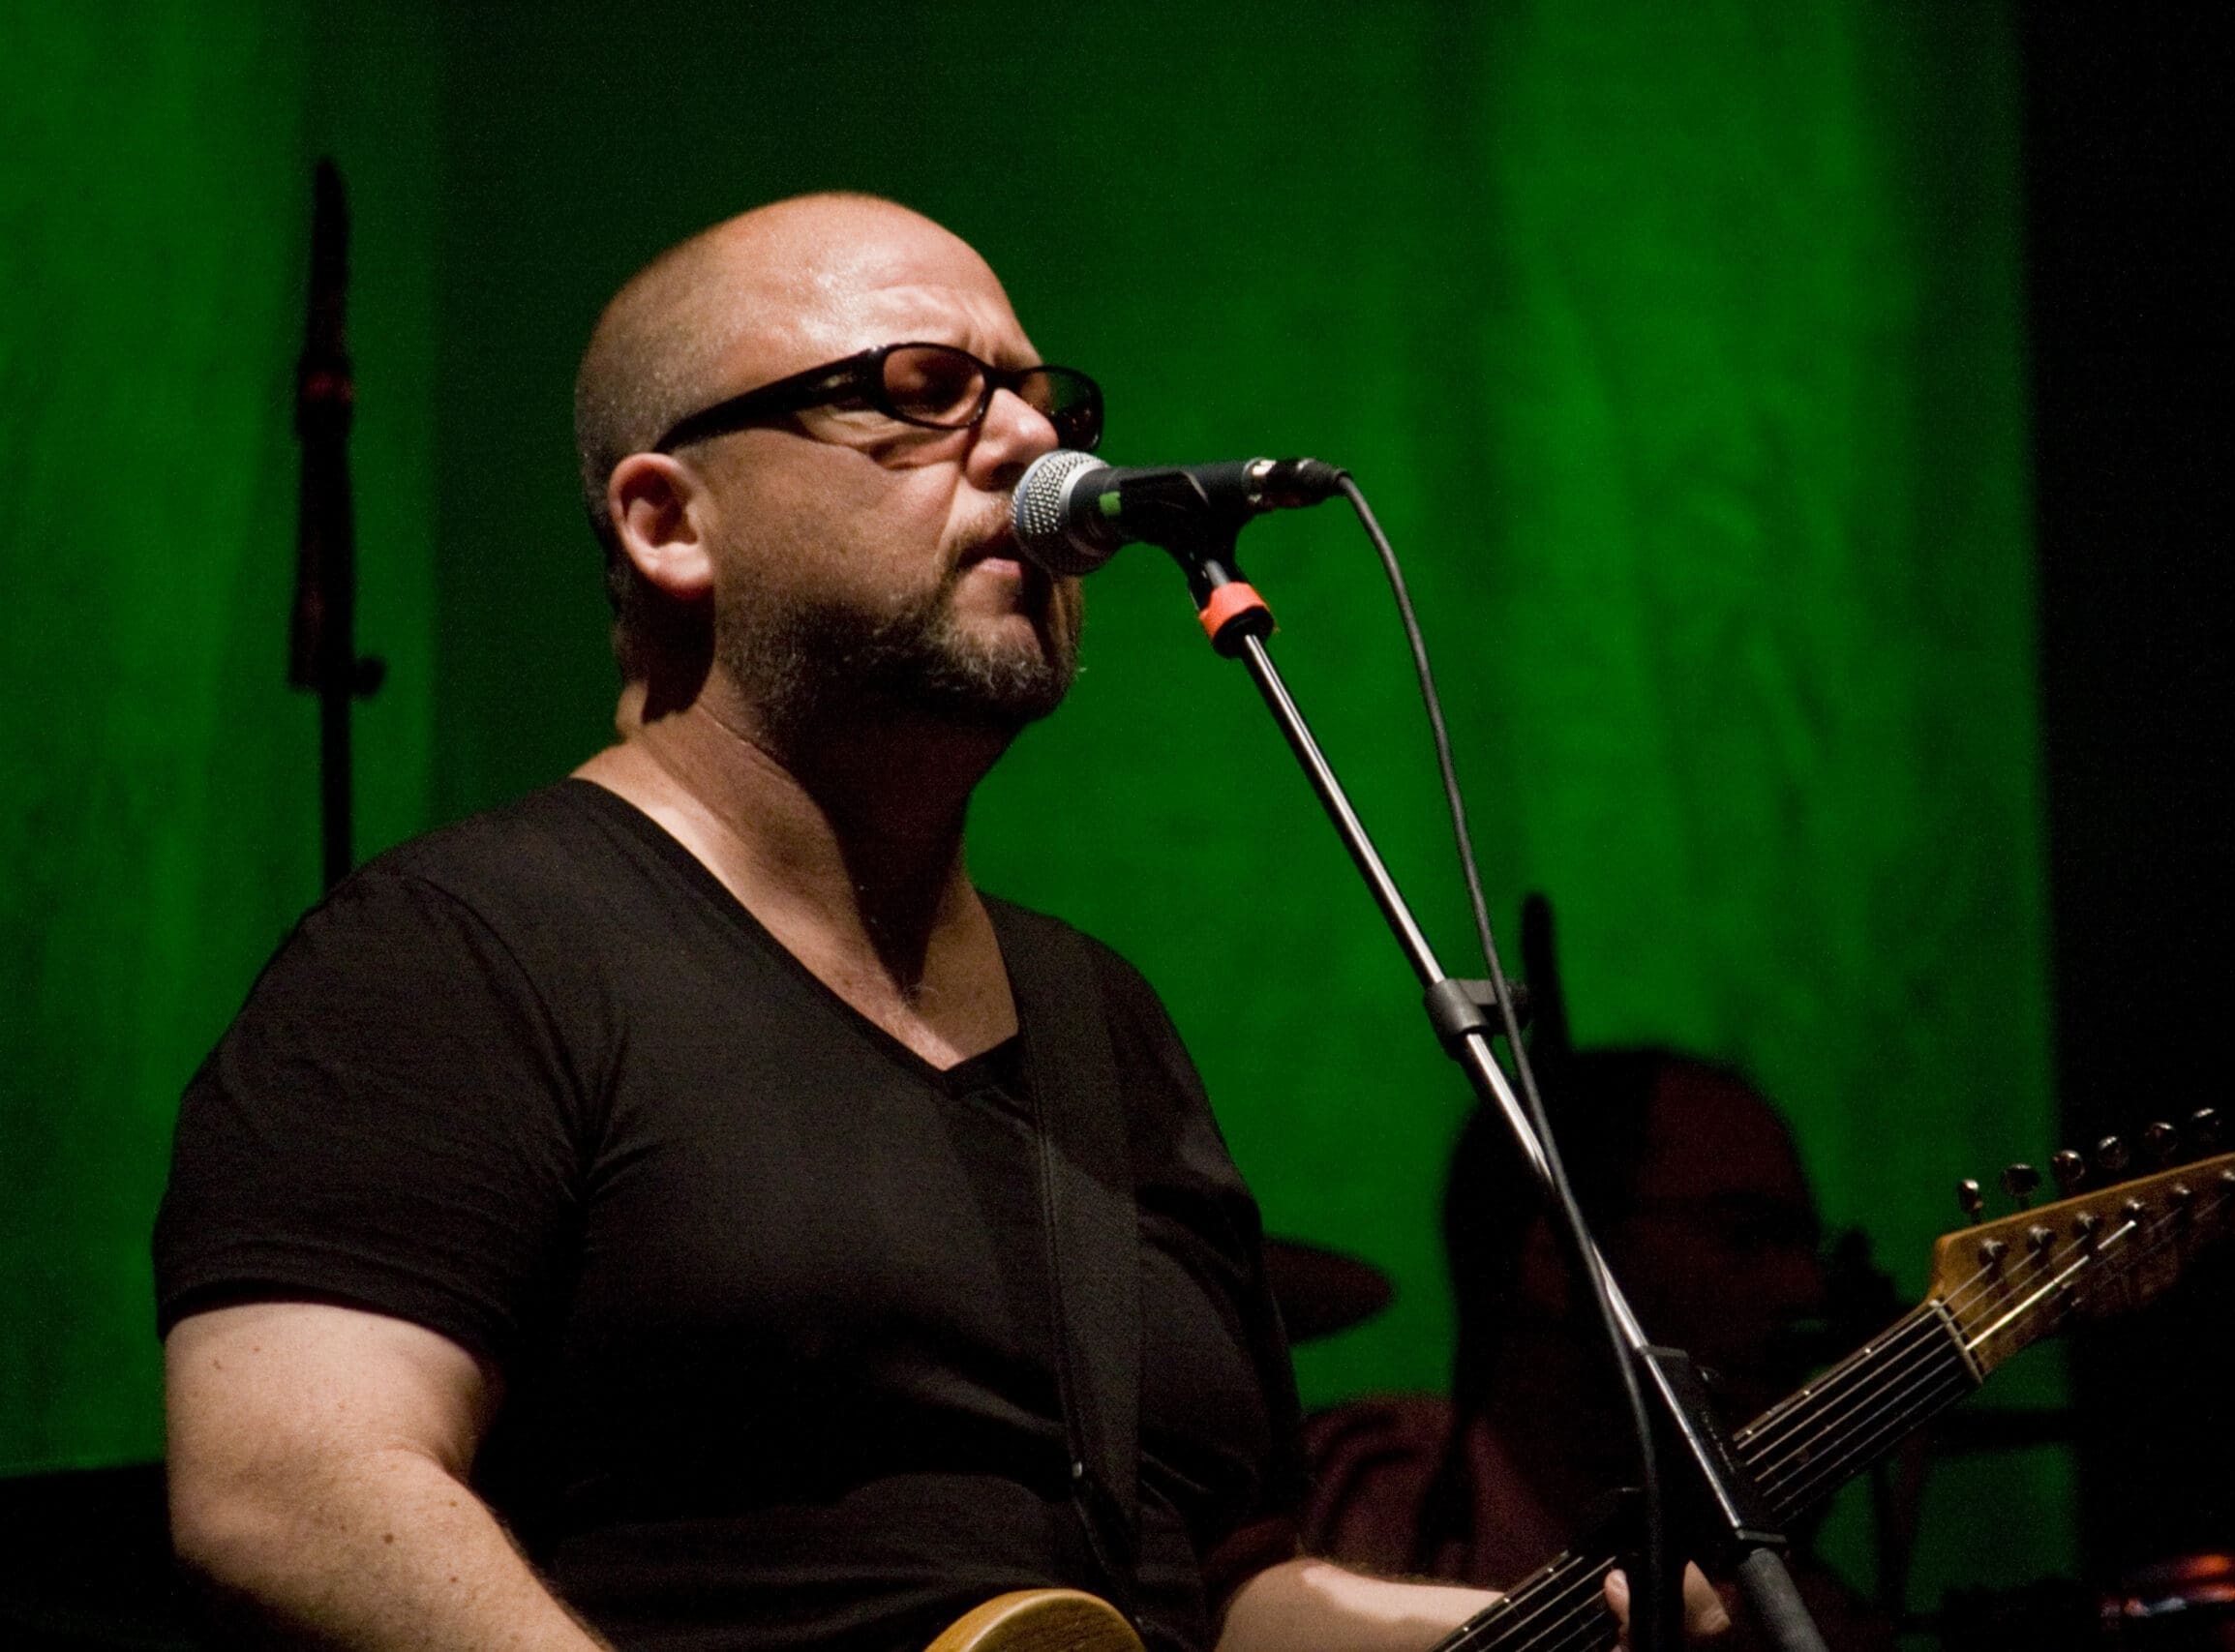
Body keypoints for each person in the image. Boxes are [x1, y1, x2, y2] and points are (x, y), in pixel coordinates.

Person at [153, 194, 1700, 1651]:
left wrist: (1529, 1623)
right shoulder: (461, 956)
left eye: (1047, 400)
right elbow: (286, 1485)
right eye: (917, 386)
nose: (1031, 440)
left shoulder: (1104, 1022)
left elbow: (1213, 1591)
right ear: (665, 519)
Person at [1302, 1049, 1897, 1652]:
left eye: (1802, 1247)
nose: (1805, 1288)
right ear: (1556, 1258)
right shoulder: (1365, 1483)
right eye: (1742, 1234)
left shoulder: (1799, 1604)